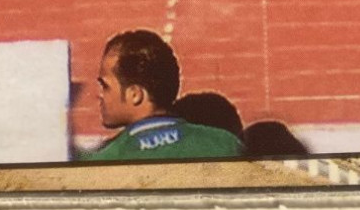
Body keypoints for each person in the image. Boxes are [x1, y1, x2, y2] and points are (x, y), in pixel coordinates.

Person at [81, 30, 244, 161]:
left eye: (105, 86)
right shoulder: (225, 144)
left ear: (135, 95)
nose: (100, 95)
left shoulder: (101, 160)